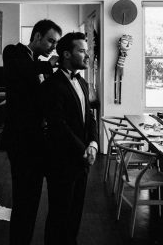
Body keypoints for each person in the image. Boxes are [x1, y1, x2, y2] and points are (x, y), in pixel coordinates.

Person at [1, 19, 62, 245]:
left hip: (37, 141)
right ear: (37, 36)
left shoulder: (37, 63)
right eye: (50, 41)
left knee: (32, 199)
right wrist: (50, 65)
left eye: (56, 44)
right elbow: (21, 70)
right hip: (20, 142)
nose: (53, 47)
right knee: (23, 199)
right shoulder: (13, 52)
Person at [41, 32, 98, 245]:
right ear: (66, 54)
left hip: (82, 161)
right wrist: (83, 149)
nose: (87, 55)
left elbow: (89, 117)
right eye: (82, 51)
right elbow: (58, 124)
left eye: (87, 51)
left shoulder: (82, 83)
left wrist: (93, 144)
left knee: (75, 213)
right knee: (59, 214)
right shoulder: (51, 85)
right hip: (61, 161)